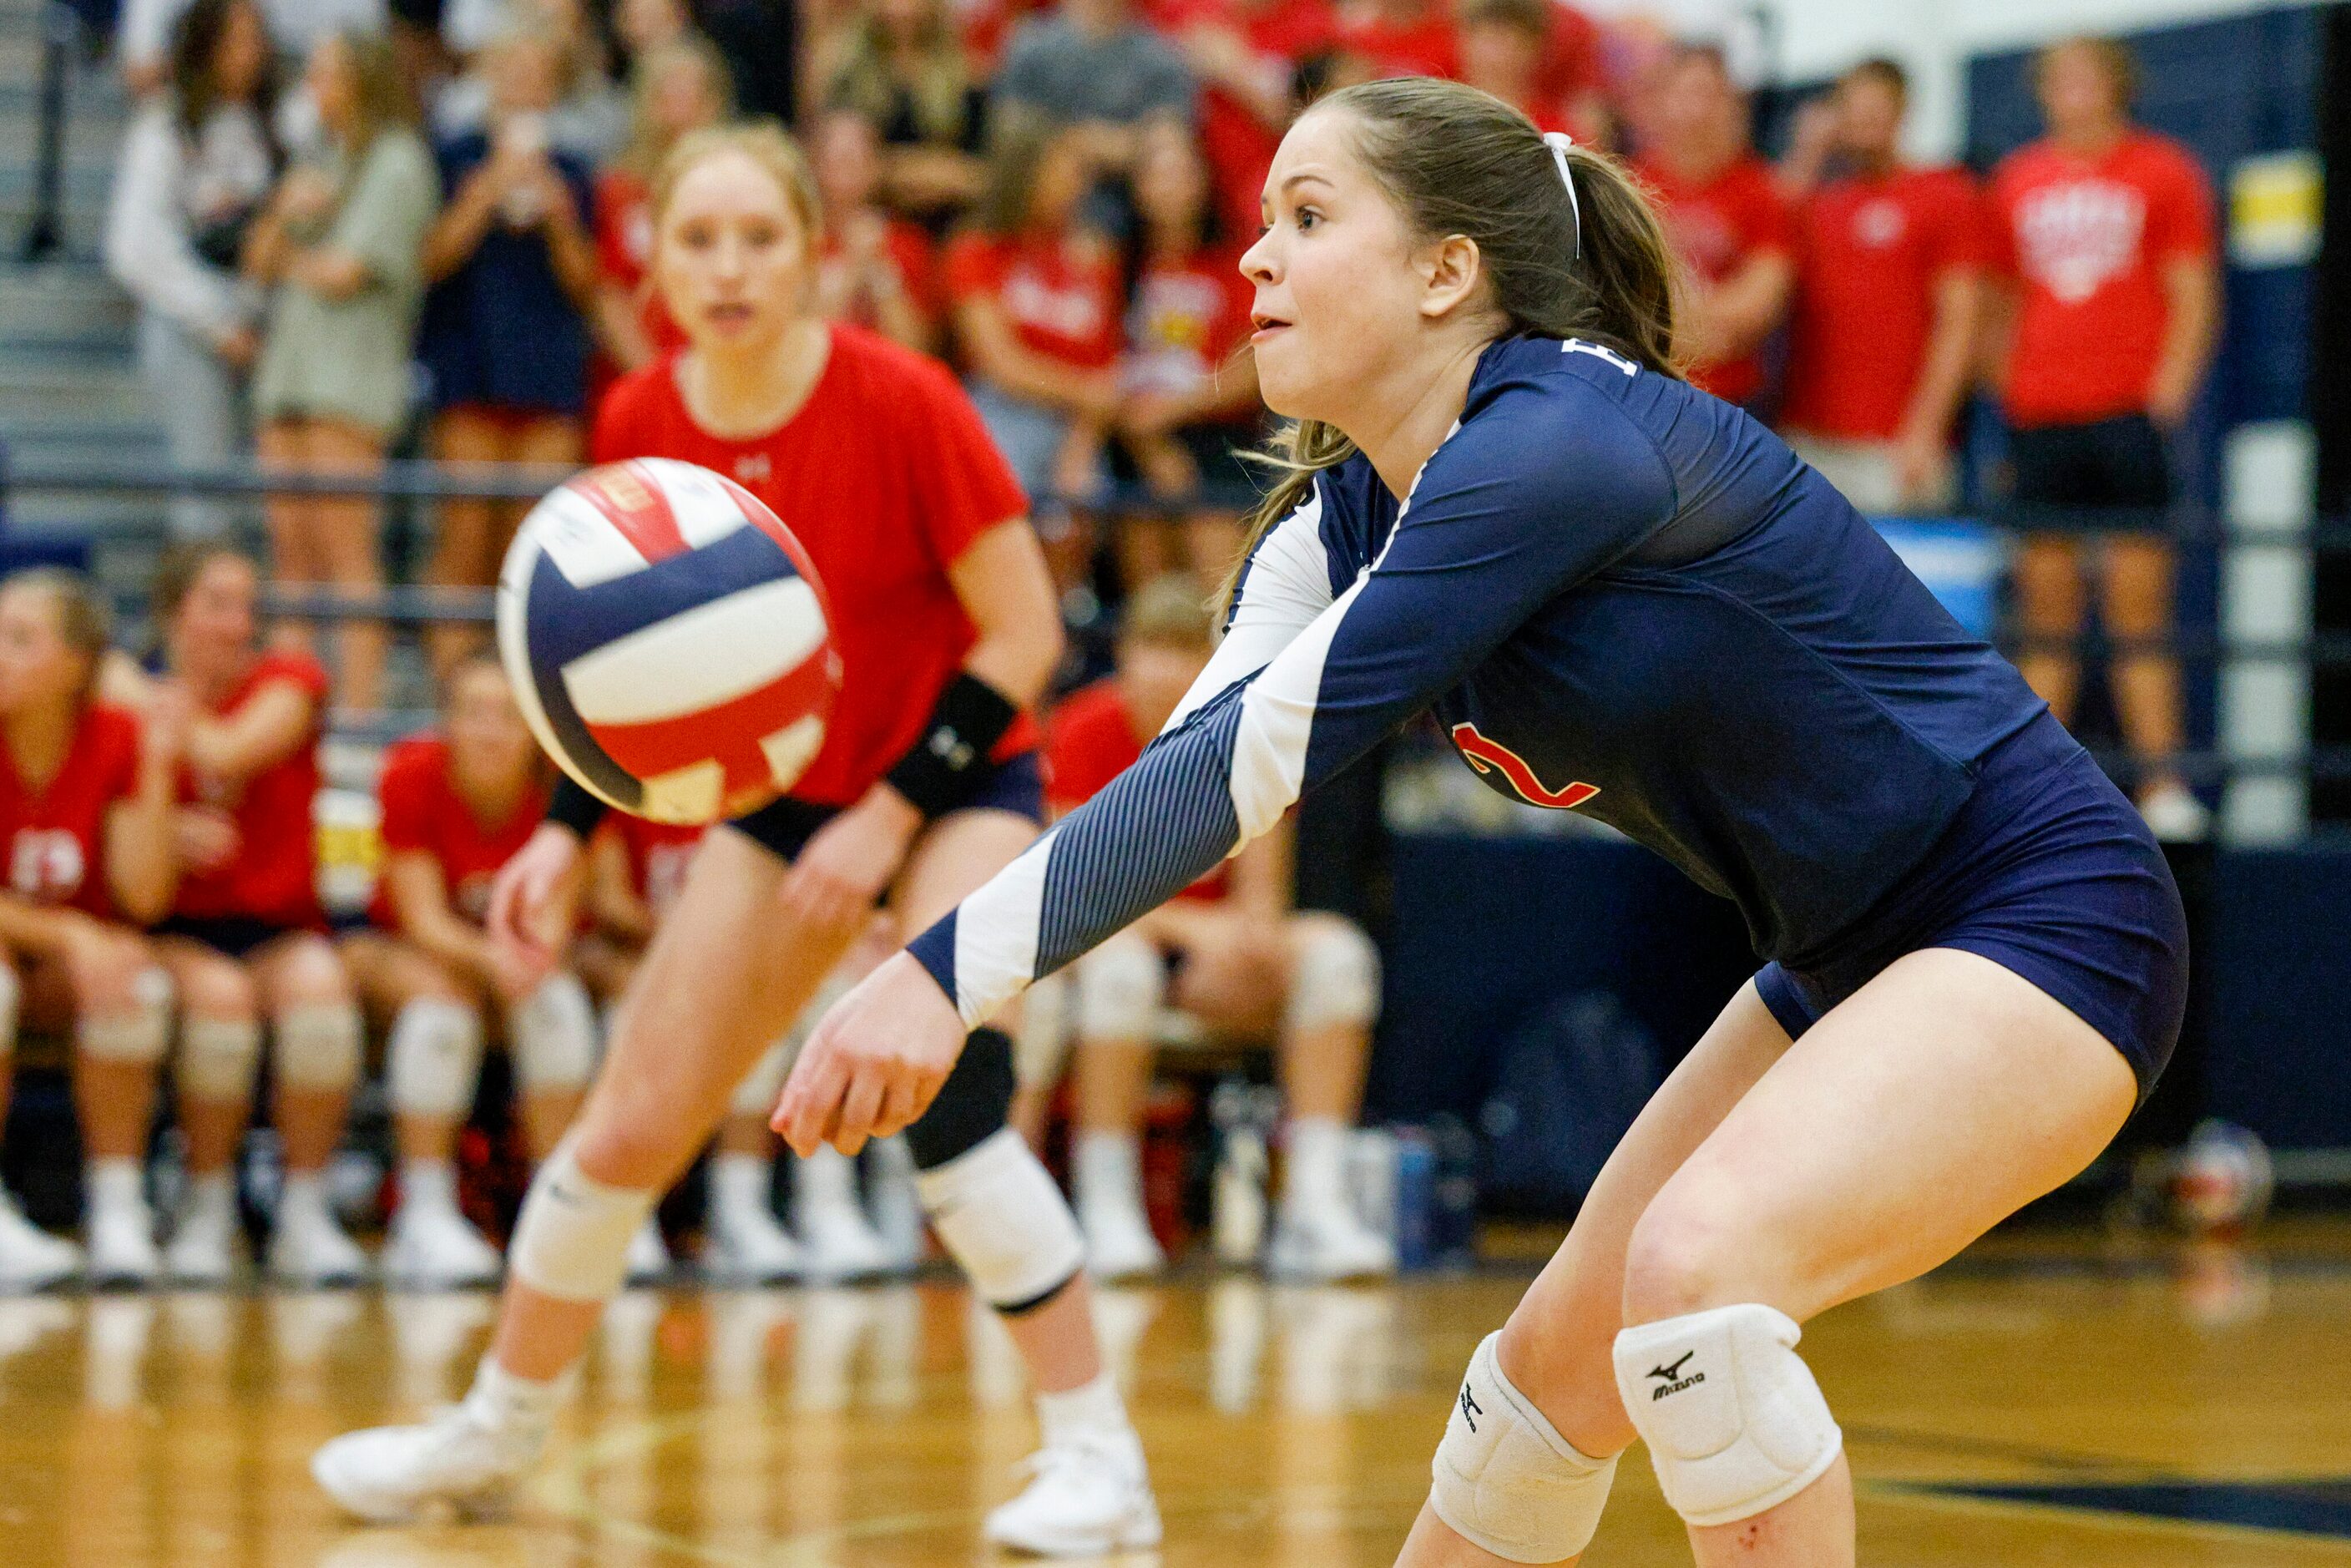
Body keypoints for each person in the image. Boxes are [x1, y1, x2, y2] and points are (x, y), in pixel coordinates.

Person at [781, 78, 2189, 1568]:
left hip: (2040, 915)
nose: (1254, 257)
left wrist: (941, 969)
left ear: (1447, 270)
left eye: (1308, 217)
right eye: (1259, 218)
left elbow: (1238, 770)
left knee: (1697, 1282)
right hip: (1845, 955)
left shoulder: (1557, 443)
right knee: (1537, 1391)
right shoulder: (1338, 522)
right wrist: (957, 961)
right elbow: (1193, 771)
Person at [311, 124, 1160, 1556]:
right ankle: (493, 1428)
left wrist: (890, 816)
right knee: (632, 1123)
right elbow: (623, 672)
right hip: (779, 807)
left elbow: (1023, 635)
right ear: (655, 265)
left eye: (758, 237)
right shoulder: (641, 410)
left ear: (814, 252)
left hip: (953, 785)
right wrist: (567, 833)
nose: (727, 268)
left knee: (948, 1094)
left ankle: (1097, 1455)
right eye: (695, 239)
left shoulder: (903, 397)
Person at [1037, 576, 1388, 1280]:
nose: (1167, 671)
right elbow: (1067, 884)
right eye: (1151, 650)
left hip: (1209, 959)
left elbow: (1262, 896)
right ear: (1124, 657)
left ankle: (1313, 1207)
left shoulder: (1250, 735)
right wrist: (1192, 931)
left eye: (1184, 652)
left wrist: (1248, 947)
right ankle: (1107, 1209)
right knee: (1120, 967)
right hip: (1108, 947)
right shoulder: (1083, 729)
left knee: (1340, 957)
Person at [102, 546, 370, 1285]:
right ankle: (208, 1209)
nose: (239, 623)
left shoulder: (289, 679)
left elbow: (227, 752)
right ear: (173, 613)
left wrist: (145, 698)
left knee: (321, 1001)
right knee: (220, 1005)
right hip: (174, 928)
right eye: (217, 603)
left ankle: (304, 1214)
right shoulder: (126, 708)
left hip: (276, 924)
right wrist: (165, 828)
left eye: (249, 604)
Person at [1984, 36, 2220, 842]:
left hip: (2125, 419)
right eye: (2058, 79)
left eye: (2088, 77)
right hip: (2042, 418)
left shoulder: (2164, 171)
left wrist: (2164, 398)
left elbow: (2193, 293)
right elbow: (2000, 303)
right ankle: (2028, 797)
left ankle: (2163, 787)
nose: (2072, 91)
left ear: (2119, 86)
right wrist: (2009, 391)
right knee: (2046, 621)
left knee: (2138, 615)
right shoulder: (2017, 179)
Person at [340, 655, 608, 1287]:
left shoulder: (561, 787)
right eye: (474, 714)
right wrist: (498, 961)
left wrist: (524, 963)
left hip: (511, 963)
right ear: (446, 723)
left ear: (535, 729)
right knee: (442, 1009)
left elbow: (556, 920)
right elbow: (423, 920)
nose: (491, 731)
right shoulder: (411, 772)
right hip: (408, 953)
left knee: (556, 1003)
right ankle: (423, 1216)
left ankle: (556, 1211)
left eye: (509, 716)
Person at [244, 28, 438, 715]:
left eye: (324, 73)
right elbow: (256, 263)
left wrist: (290, 253)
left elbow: (345, 271)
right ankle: (288, 710)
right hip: (287, 375)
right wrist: (280, 213)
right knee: (290, 556)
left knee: (349, 555)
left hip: (349, 381)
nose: (312, 88)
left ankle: (358, 716)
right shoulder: (316, 159)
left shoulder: (398, 162)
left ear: (361, 79)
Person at [0, 572, 184, 1287]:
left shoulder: (115, 737)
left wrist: (159, 764)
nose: (0, 654)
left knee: (130, 978)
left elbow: (142, 896)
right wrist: (72, 937)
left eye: (20, 639)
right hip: (23, 958)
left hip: (57, 969)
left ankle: (117, 1211)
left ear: (77, 666)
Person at [417, 24, 601, 679]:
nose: (525, 84)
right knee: (463, 542)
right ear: (491, 78)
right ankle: (452, 694)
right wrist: (482, 196)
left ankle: (526, 698)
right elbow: (428, 260)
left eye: (538, 72)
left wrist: (557, 217)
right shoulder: (455, 155)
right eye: (513, 69)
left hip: (548, 374)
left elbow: (588, 286)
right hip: (470, 364)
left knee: (535, 548)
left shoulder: (576, 172)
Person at [1778, 58, 1984, 514]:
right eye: (1853, 109)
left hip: (1897, 446)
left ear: (1902, 112)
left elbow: (1961, 321)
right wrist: (1807, 152)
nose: (1865, 121)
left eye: (1877, 108)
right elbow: (1765, 233)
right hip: (1811, 440)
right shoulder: (1815, 202)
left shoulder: (1945, 193)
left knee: (1895, 581)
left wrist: (1926, 430)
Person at [105, 0, 278, 543]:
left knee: (264, 496)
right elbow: (134, 246)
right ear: (207, 48)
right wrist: (219, 321)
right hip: (192, 326)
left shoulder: (269, 126)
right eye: (237, 41)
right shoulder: (165, 124)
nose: (251, 55)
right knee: (202, 493)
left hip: (260, 322)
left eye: (256, 40)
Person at [944, 122, 1124, 550]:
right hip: (1002, 407)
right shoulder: (977, 248)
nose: (1074, 184)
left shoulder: (1095, 253)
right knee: (1003, 499)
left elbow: (1107, 365)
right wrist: (1088, 396)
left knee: (1086, 501)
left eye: (1079, 172)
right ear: (1027, 173)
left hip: (1077, 418)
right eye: (1062, 170)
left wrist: (1082, 440)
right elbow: (1000, 365)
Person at [1115, 122, 1262, 591]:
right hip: (1127, 432)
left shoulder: (1236, 264)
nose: (1171, 187)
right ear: (1137, 186)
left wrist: (1175, 409)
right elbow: (1099, 365)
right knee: (1141, 538)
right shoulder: (1115, 266)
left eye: (1183, 172)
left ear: (1204, 181)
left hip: (1215, 429)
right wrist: (1151, 442)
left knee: (1212, 560)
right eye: (1158, 173)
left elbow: (1254, 370)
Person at [1631, 43, 1792, 409]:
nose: (1698, 110)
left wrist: (1667, 327)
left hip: (1736, 405)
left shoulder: (1761, 192)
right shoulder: (1629, 187)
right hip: (1648, 398)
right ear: (1662, 100)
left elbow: (1759, 306)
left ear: (1732, 105)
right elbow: (1622, 306)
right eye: (1687, 92)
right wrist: (1712, 330)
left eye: (1711, 94)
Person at [591, 35, 732, 377]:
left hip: (726, 369)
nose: (680, 109)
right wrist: (654, 380)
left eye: (692, 95)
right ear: (646, 103)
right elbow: (609, 295)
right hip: (639, 368)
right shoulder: (619, 191)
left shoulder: (738, 186)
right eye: (667, 95)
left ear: (714, 104)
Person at [821, 0, 993, 225]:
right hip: (873, 223)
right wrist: (905, 171)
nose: (902, 9)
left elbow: (992, 172)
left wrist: (949, 176)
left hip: (955, 224)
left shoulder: (968, 80)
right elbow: (833, 160)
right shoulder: (847, 78)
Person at [809, 109, 940, 354]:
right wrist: (853, 266)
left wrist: (879, 271)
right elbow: (805, 339)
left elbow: (916, 350)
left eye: (857, 159)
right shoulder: (801, 244)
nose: (846, 171)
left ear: (877, 167)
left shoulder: (909, 243)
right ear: (815, 166)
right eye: (836, 159)